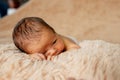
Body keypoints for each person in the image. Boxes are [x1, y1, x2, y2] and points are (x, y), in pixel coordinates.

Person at [12, 17, 80, 60]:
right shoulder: (30, 52)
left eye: (54, 42)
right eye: (43, 52)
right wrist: (30, 56)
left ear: (54, 32)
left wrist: (70, 50)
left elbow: (75, 49)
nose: (53, 51)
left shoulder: (63, 40)